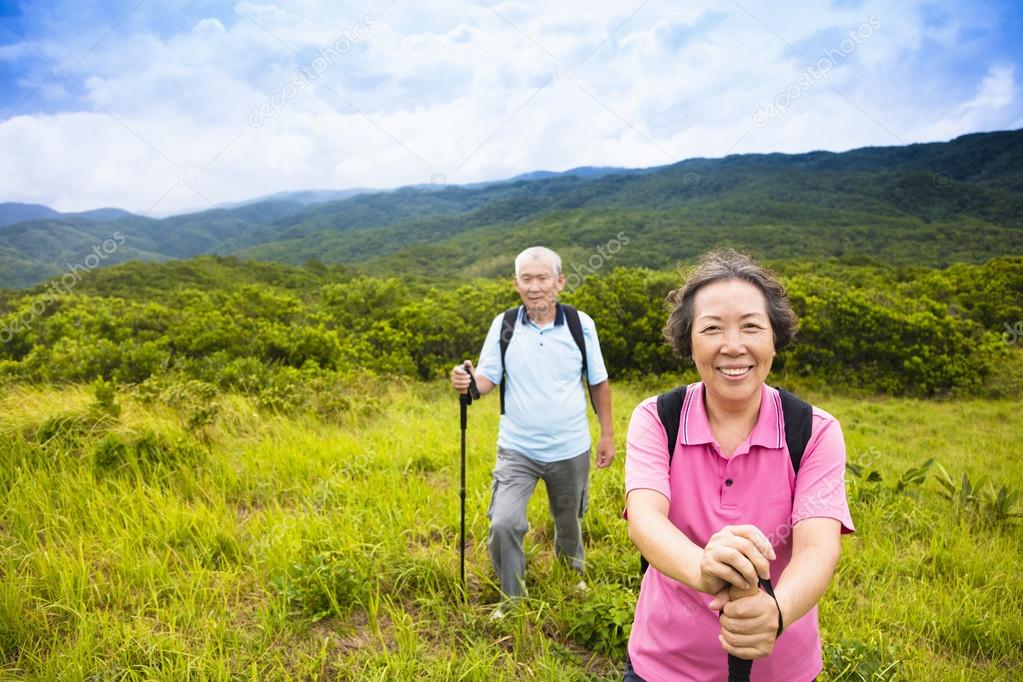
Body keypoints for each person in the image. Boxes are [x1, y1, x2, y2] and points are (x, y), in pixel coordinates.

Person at [623, 250, 854, 681]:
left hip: (781, 669)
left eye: (751, 326)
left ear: (774, 338)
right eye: (712, 328)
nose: (733, 346)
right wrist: (704, 569)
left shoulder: (814, 431)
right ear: (688, 340)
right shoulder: (657, 418)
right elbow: (645, 521)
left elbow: (817, 547)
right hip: (661, 665)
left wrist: (775, 613)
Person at [450, 246, 615, 605]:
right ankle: (512, 598)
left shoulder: (579, 324)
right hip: (517, 449)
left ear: (560, 282)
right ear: (516, 284)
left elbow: (598, 382)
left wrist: (608, 436)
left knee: (568, 520)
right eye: (527, 279)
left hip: (571, 448)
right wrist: (466, 382)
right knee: (504, 523)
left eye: (543, 278)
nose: (535, 286)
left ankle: (572, 578)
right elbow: (485, 381)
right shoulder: (504, 324)